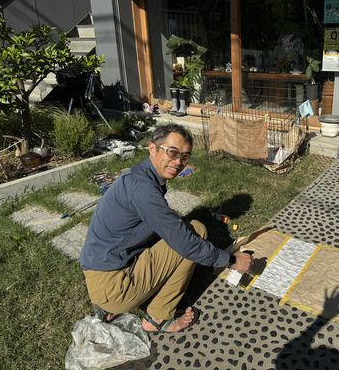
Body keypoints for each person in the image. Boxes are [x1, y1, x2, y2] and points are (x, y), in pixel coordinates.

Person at [79, 124, 253, 333]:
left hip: (105, 274)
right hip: (114, 286)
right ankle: (159, 318)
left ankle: (121, 301)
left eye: (185, 156)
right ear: (152, 148)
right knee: (194, 233)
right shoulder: (143, 191)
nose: (178, 162)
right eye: (172, 152)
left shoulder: (138, 176)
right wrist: (232, 261)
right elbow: (186, 243)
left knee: (185, 229)